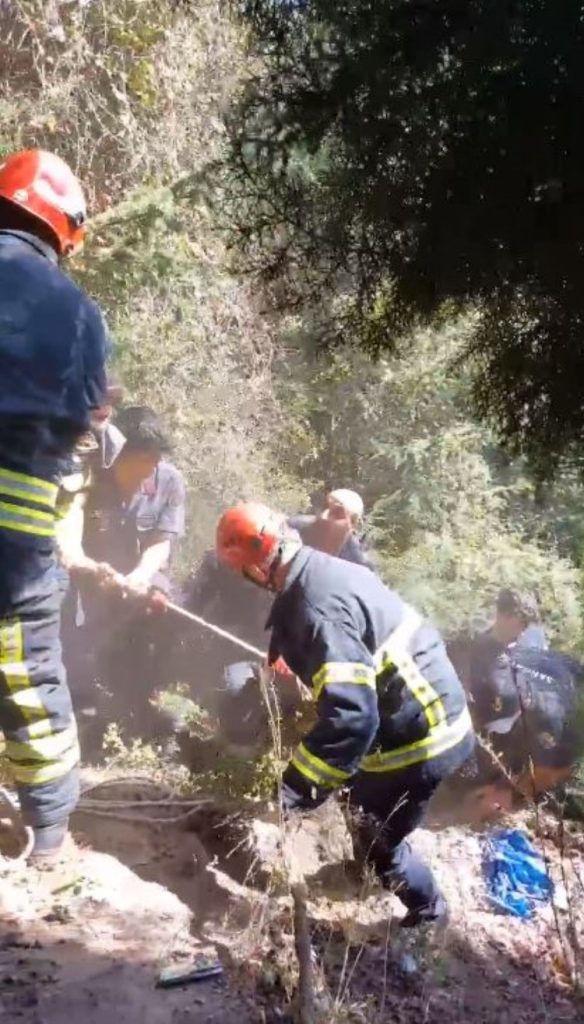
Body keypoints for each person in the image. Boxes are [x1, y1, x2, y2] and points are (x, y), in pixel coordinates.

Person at [215, 502, 474, 926]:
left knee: (381, 842)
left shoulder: (315, 608)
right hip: (414, 712)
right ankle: (363, 867)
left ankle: (429, 911)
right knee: (355, 792)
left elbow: (352, 716)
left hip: (424, 734)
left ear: (256, 569)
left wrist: (292, 793)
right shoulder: (319, 570)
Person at [0, 149, 109, 862]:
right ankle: (49, 836)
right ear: (61, 231)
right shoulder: (84, 318)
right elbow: (84, 430)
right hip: (20, 541)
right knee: (29, 675)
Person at [59, 405, 186, 740]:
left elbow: (161, 543)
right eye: (145, 457)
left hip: (143, 580)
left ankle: (149, 703)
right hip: (91, 582)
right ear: (119, 452)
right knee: (73, 636)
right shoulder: (87, 477)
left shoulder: (169, 481)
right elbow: (67, 536)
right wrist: (92, 571)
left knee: (166, 611)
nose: (153, 465)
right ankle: (83, 711)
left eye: (157, 457)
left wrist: (141, 576)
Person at [288, 488, 373, 569]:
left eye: (336, 513)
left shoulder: (356, 561)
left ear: (352, 524)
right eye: (325, 507)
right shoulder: (295, 526)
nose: (324, 516)